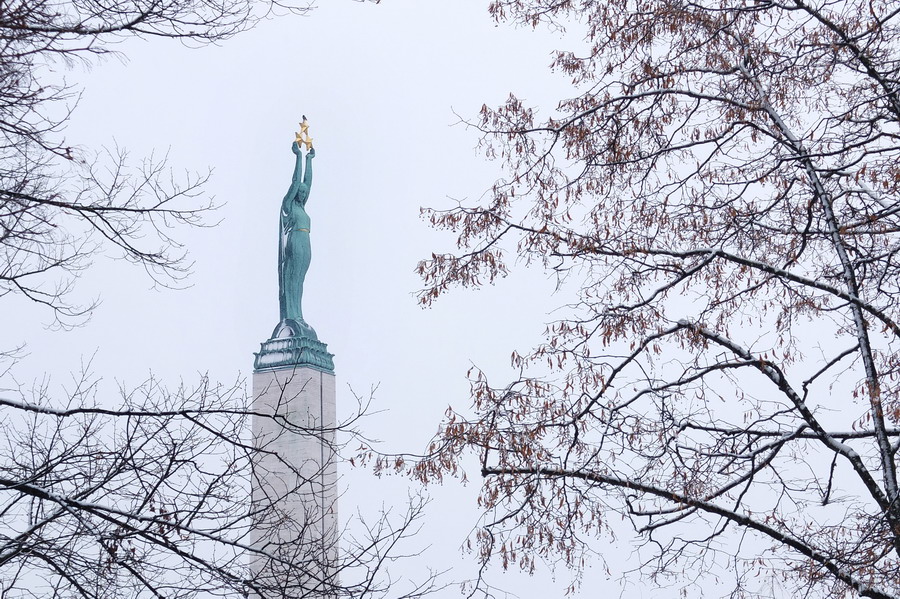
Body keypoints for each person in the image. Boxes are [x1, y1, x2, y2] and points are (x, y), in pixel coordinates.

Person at [274, 141, 316, 339]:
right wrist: (299, 157)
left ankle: (298, 315)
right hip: (294, 241)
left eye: (304, 192)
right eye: (300, 191)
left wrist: (310, 160)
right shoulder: (289, 206)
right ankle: (291, 315)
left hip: (305, 241)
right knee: (291, 280)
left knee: (300, 281)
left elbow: (308, 181)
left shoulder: (303, 208)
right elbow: (296, 182)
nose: (303, 192)